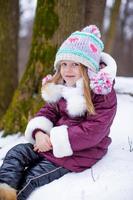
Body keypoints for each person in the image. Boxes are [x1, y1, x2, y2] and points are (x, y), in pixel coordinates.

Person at [0, 25, 117, 200]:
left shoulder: (102, 95)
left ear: (88, 67)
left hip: (78, 153)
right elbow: (48, 111)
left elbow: (93, 131)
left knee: (32, 177)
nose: (67, 70)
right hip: (50, 144)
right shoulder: (63, 86)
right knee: (16, 154)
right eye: (64, 64)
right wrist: (39, 133)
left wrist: (53, 140)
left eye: (75, 64)